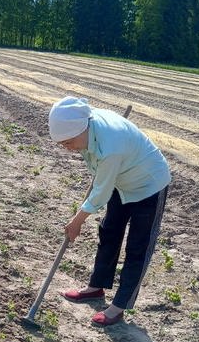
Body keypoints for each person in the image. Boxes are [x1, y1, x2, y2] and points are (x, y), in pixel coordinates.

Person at [49, 96, 171, 326]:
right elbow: (103, 180)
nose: (67, 148)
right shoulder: (86, 127)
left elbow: (101, 192)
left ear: (82, 128)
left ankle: (119, 306)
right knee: (109, 233)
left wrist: (77, 221)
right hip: (122, 180)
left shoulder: (110, 146)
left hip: (149, 185)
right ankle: (96, 288)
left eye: (69, 142)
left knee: (137, 247)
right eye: (62, 144)